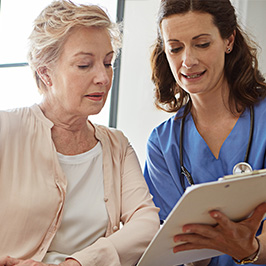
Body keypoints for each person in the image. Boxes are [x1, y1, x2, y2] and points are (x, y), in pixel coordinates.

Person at [0, 1, 160, 266]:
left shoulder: (116, 145)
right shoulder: (6, 130)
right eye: (85, 65)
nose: (103, 78)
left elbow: (146, 224)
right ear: (45, 73)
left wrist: (77, 264)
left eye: (108, 63)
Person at [144, 0, 266, 265]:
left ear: (229, 40)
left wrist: (249, 248)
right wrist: (193, 251)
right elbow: (175, 247)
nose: (188, 61)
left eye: (202, 44)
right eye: (175, 48)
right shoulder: (162, 144)